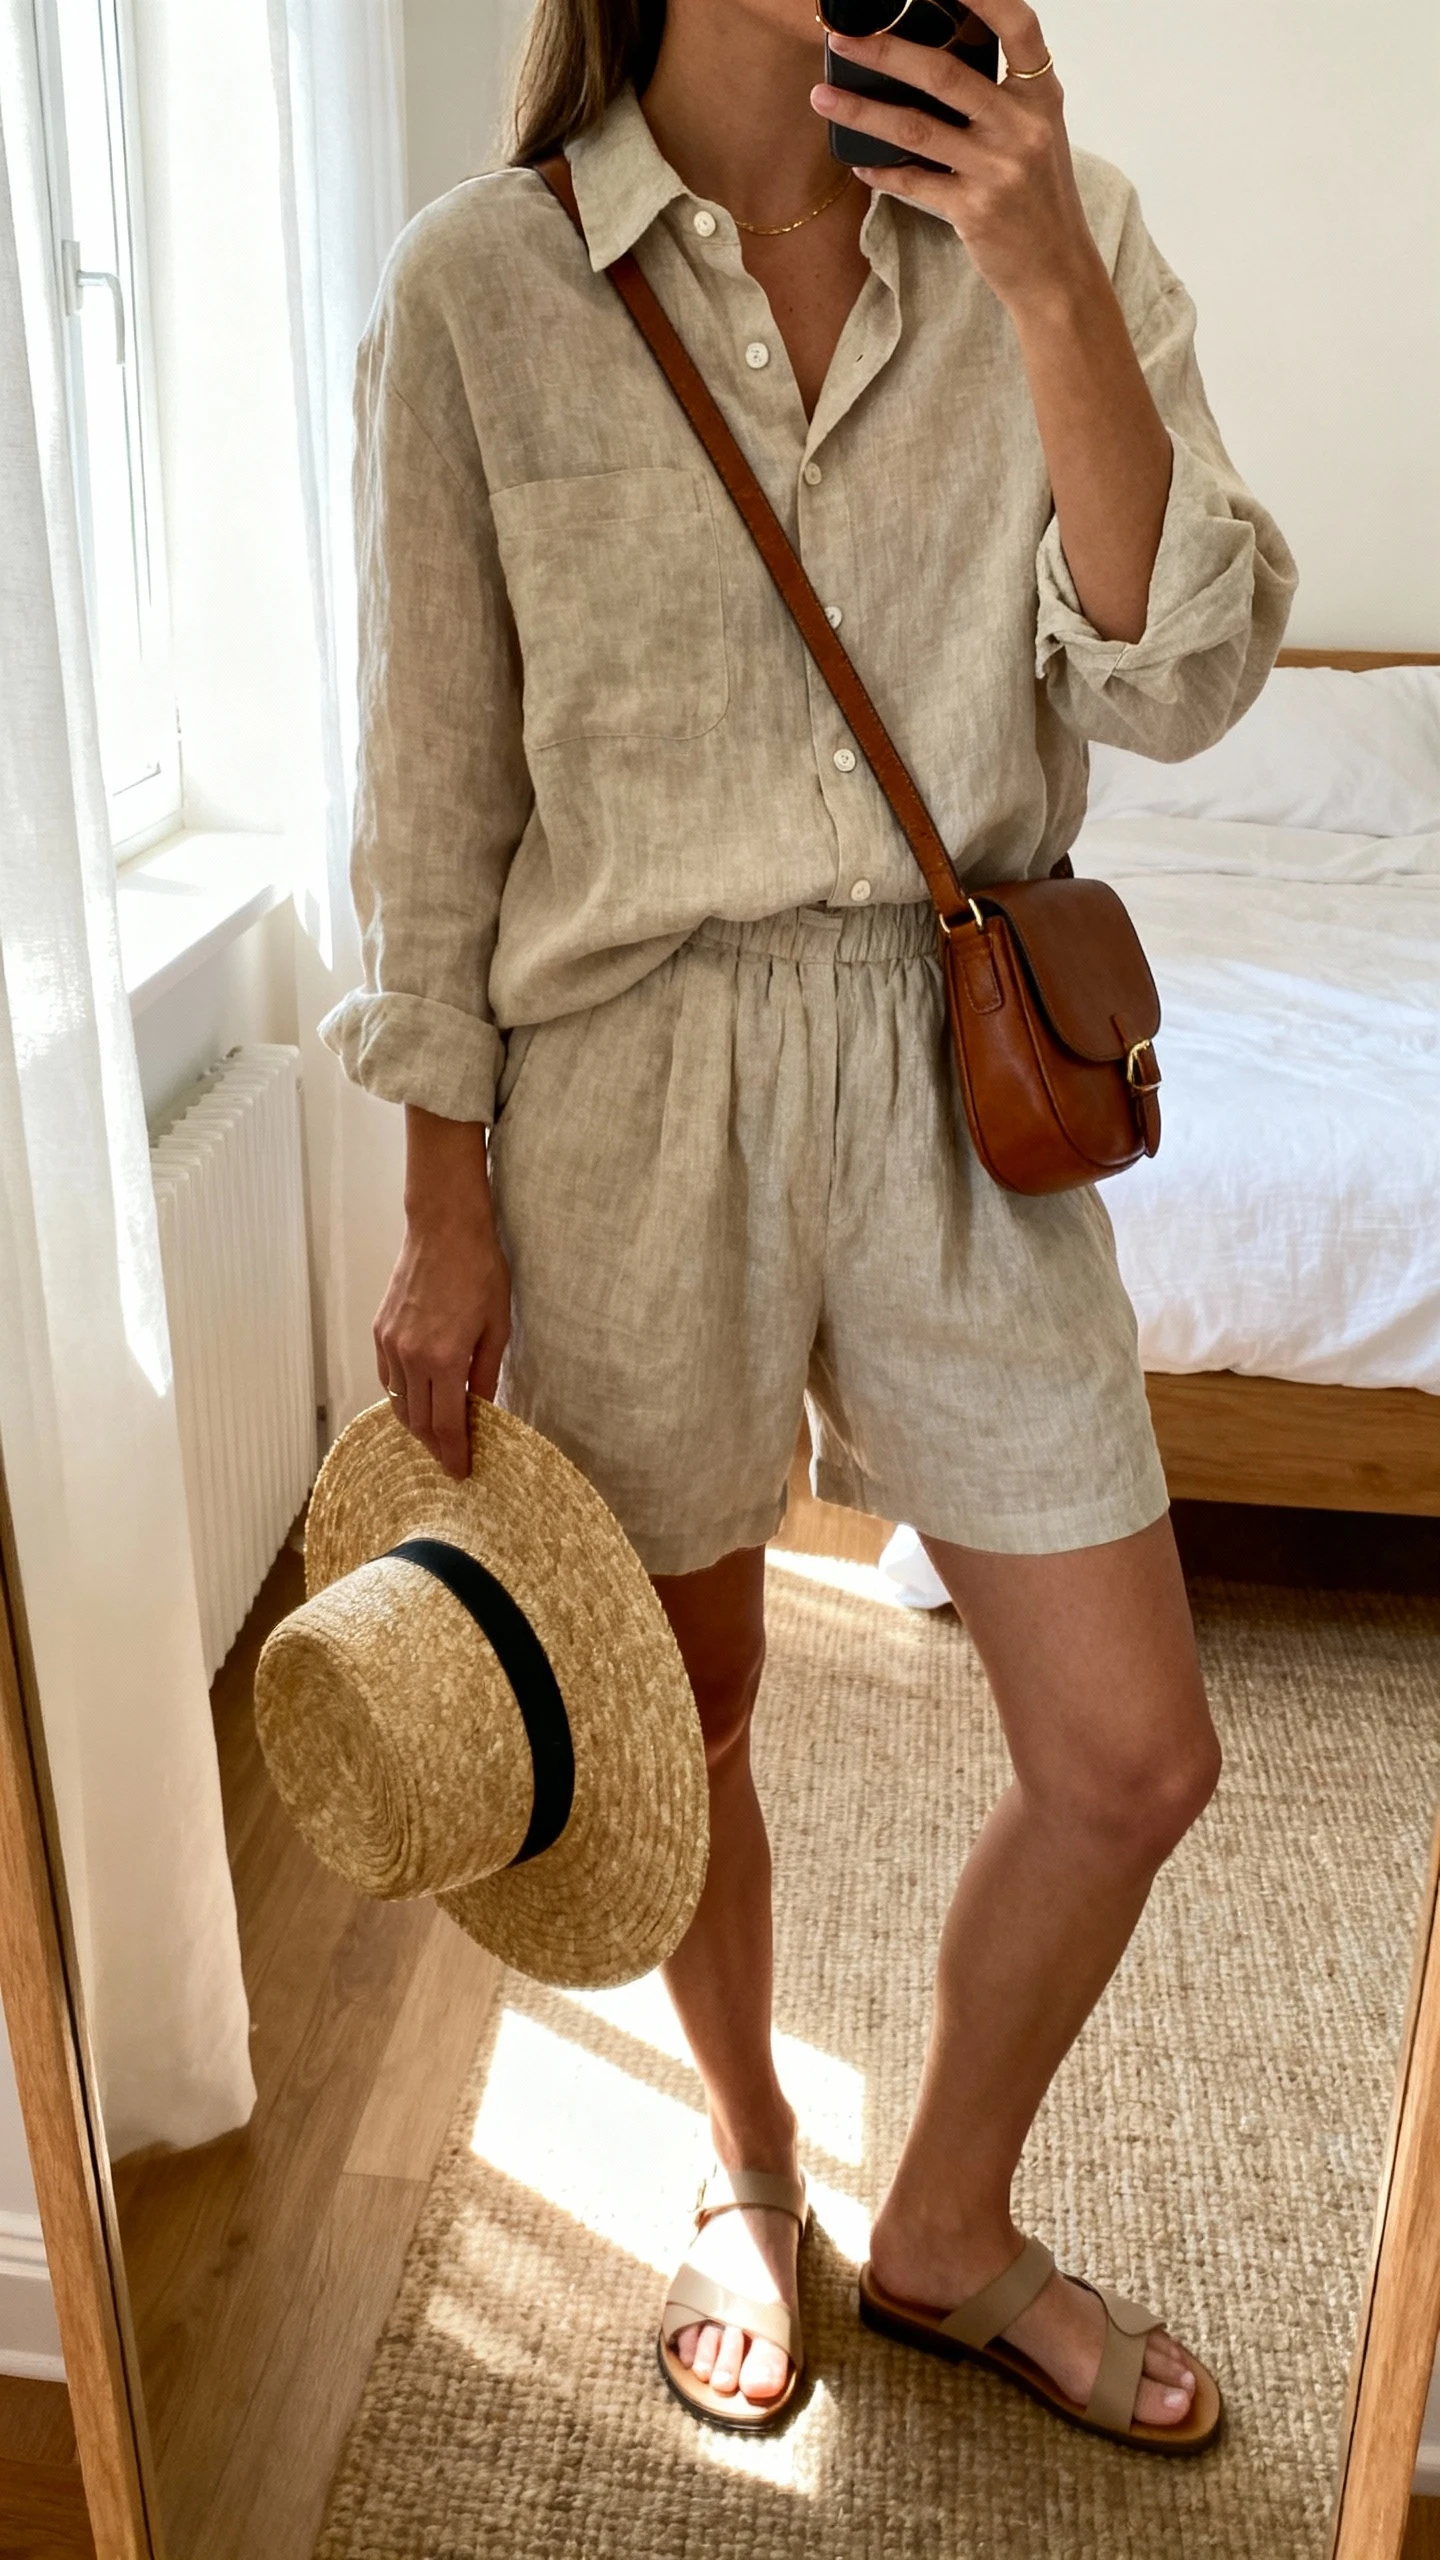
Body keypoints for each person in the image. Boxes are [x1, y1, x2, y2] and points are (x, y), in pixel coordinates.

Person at [323, 0, 1295, 2449]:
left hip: (956, 1049)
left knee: (1133, 1749)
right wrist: (445, 1209)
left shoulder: (1039, 239)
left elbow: (1186, 678)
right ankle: (751, 2161)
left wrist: (1056, 278)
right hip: (627, 1083)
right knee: (686, 1715)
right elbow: (430, 808)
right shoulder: (481, 288)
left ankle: (944, 2218)